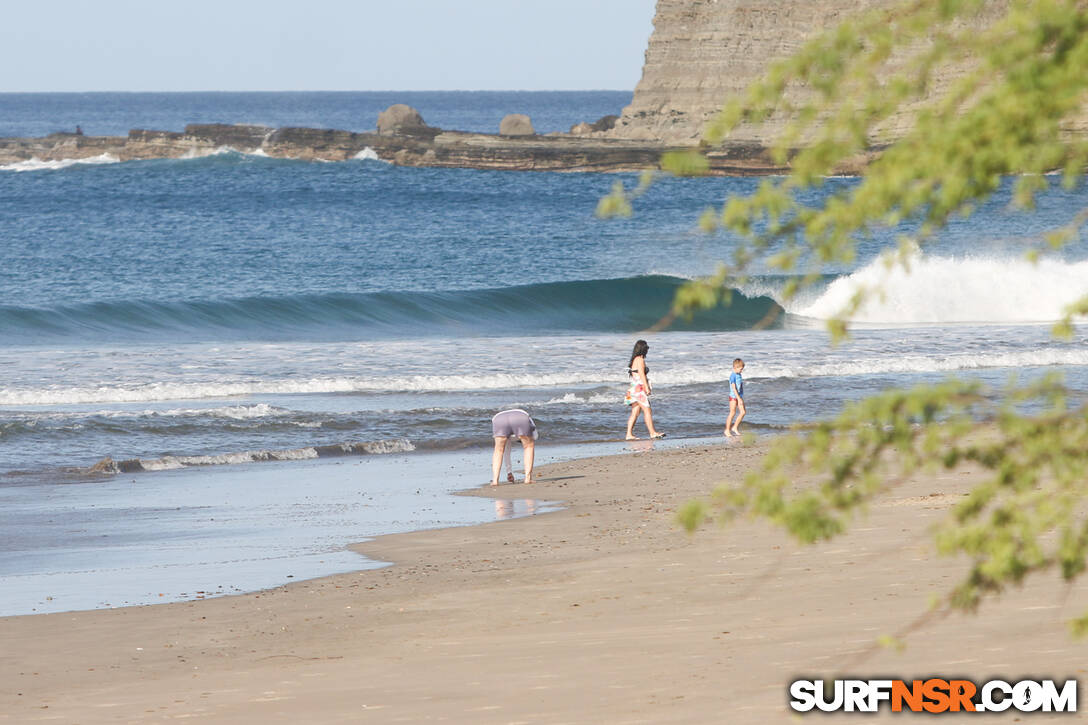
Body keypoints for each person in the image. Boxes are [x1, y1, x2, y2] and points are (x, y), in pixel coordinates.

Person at [625, 339, 665, 440]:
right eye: (646, 347)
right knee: (647, 410)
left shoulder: (635, 360)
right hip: (639, 389)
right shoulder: (640, 359)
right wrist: (646, 387)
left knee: (635, 412)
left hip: (633, 388)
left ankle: (629, 434)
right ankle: (652, 433)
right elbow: (642, 374)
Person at [491, 409, 536, 485]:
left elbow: (506, 452)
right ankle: (528, 478)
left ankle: (495, 480)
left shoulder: (508, 438)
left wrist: (509, 472)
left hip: (498, 418)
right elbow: (535, 436)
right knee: (529, 446)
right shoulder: (528, 419)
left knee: (498, 450)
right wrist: (524, 440)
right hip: (520, 417)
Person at [725, 358, 746, 436]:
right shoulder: (732, 376)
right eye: (740, 369)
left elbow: (740, 386)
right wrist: (738, 398)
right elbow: (734, 388)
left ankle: (734, 427)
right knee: (732, 413)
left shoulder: (739, 375)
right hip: (734, 397)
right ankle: (727, 430)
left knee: (743, 412)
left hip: (739, 396)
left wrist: (741, 396)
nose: (741, 371)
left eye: (742, 369)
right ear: (735, 368)